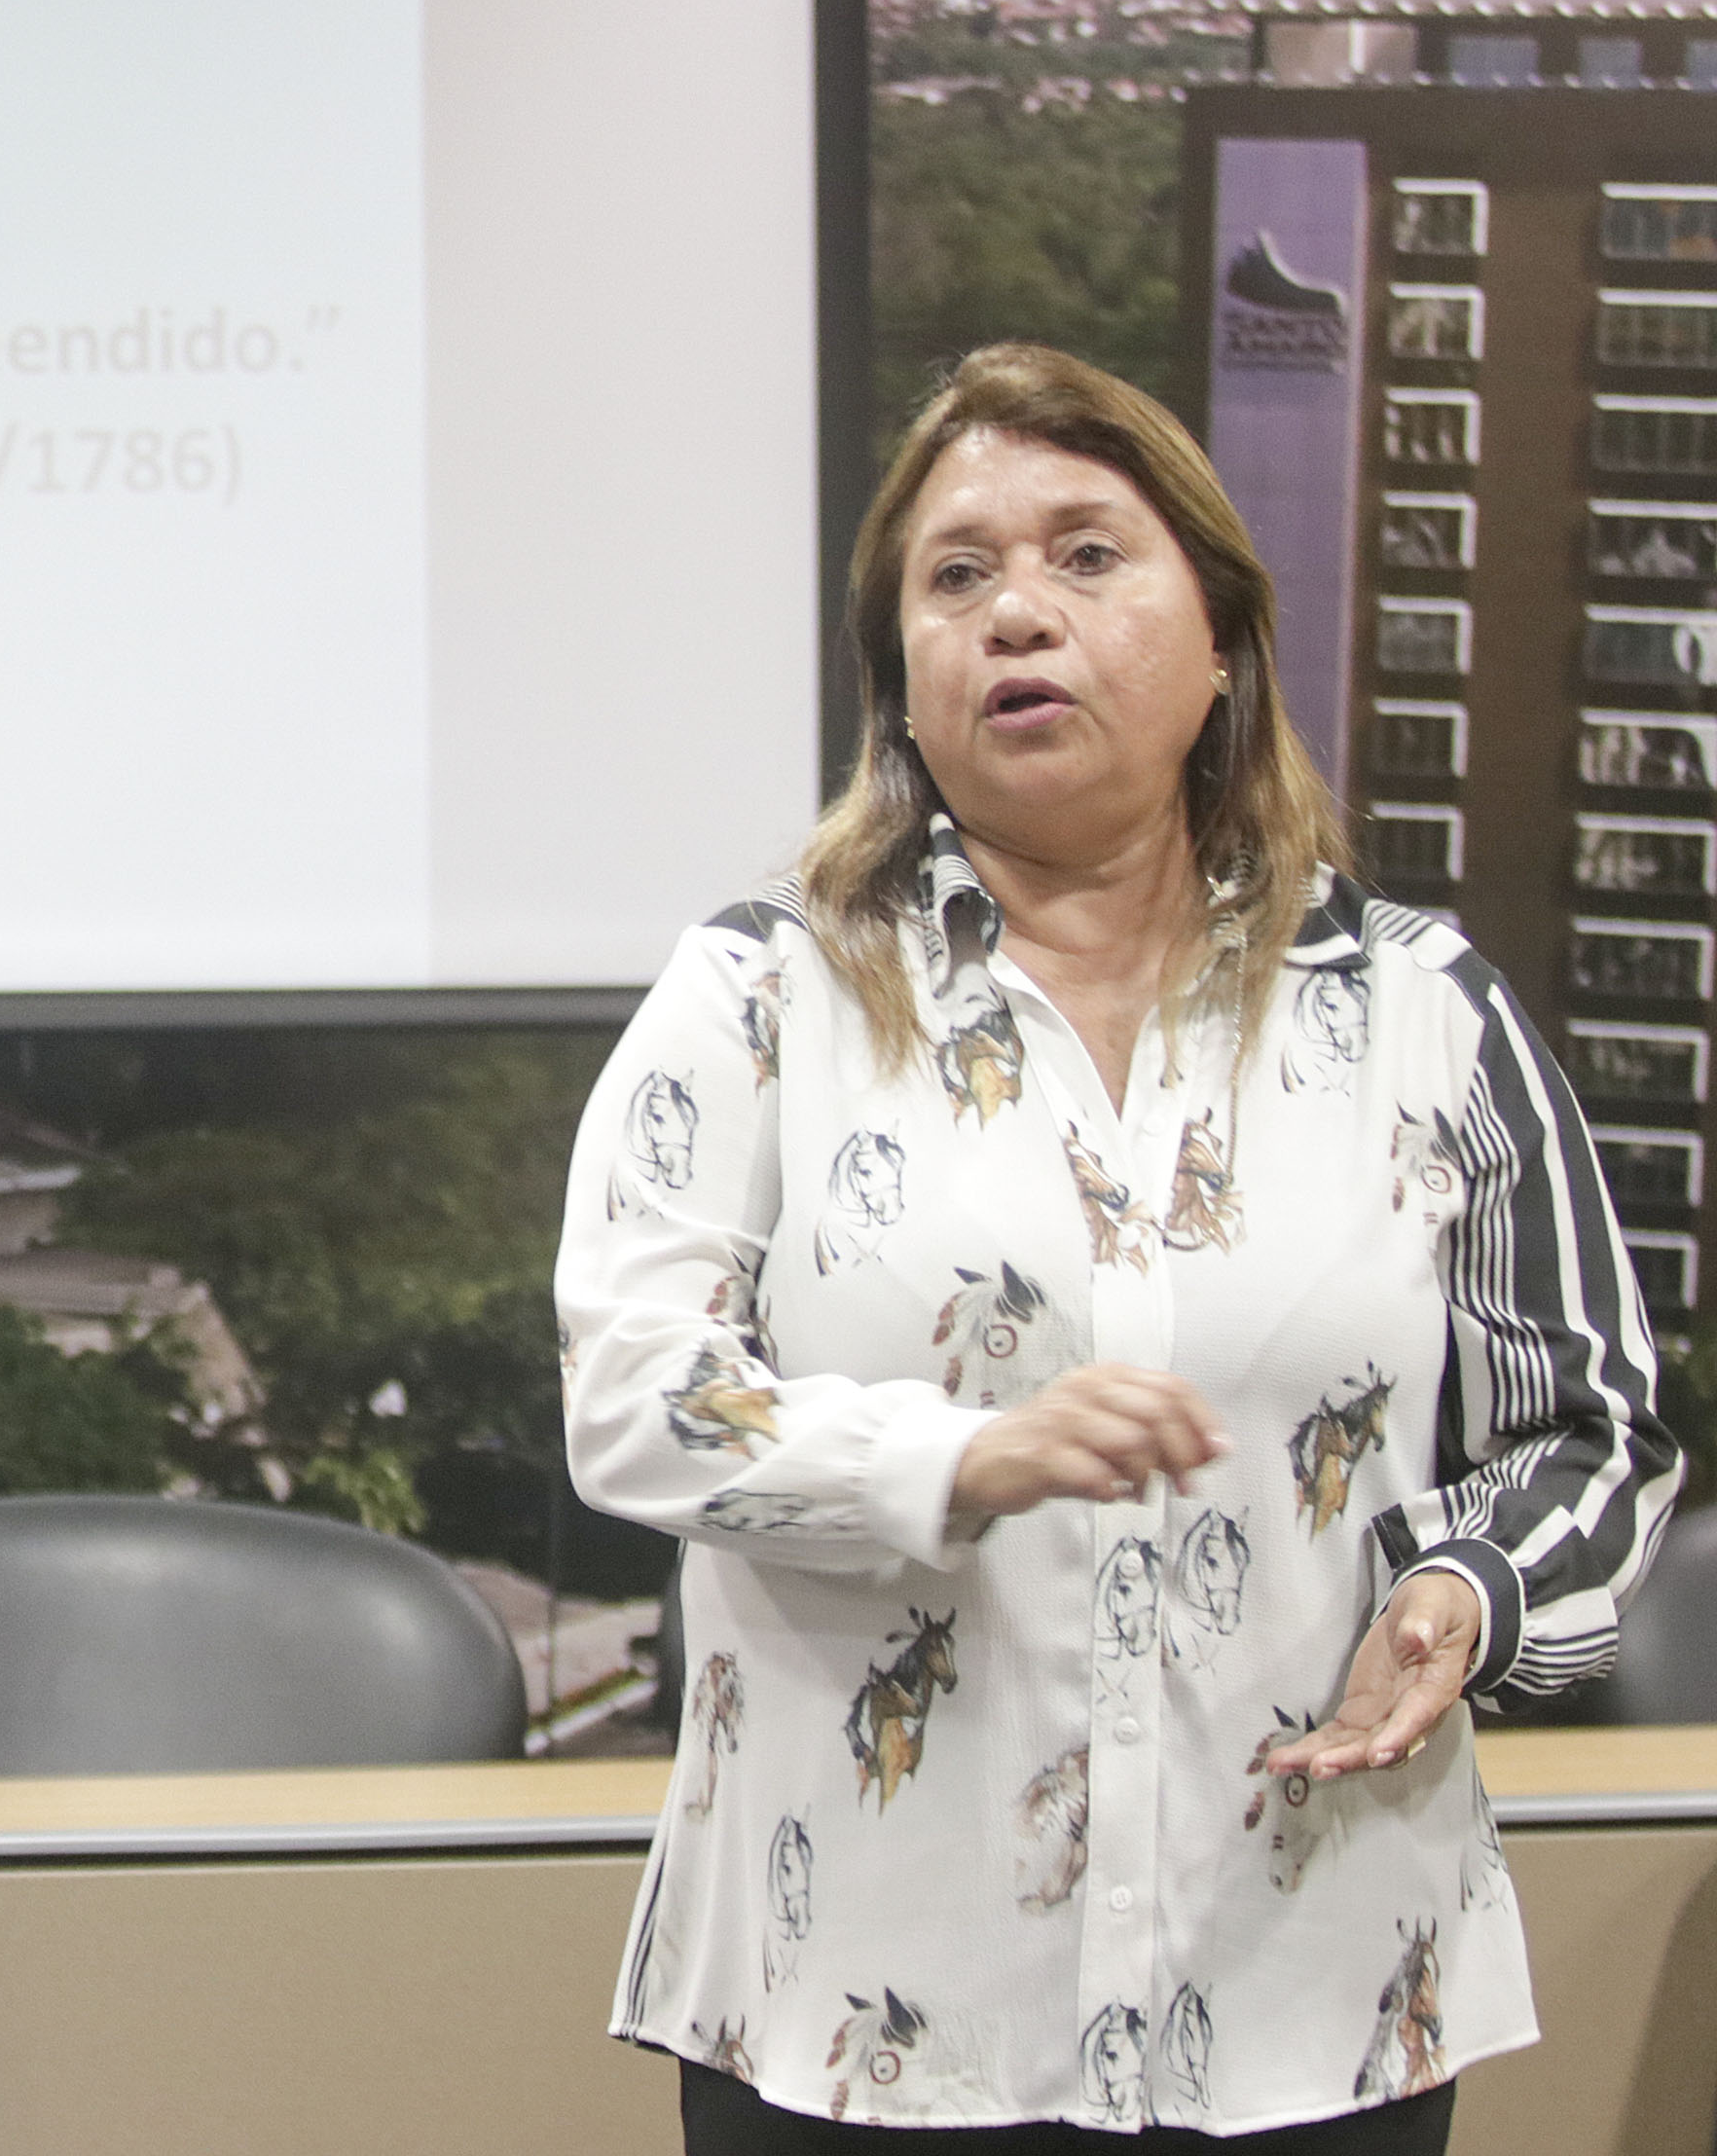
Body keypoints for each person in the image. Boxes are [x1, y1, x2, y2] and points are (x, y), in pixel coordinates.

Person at [560, 343, 1680, 2148]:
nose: (1019, 611)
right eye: (958, 576)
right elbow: (634, 1396)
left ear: (1220, 638)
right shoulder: (760, 994)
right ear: (901, 685)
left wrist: (1469, 1591)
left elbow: (1594, 1428)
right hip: (864, 2012)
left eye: (1088, 555)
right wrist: (957, 1458)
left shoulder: (1422, 1010)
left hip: (1313, 1986)